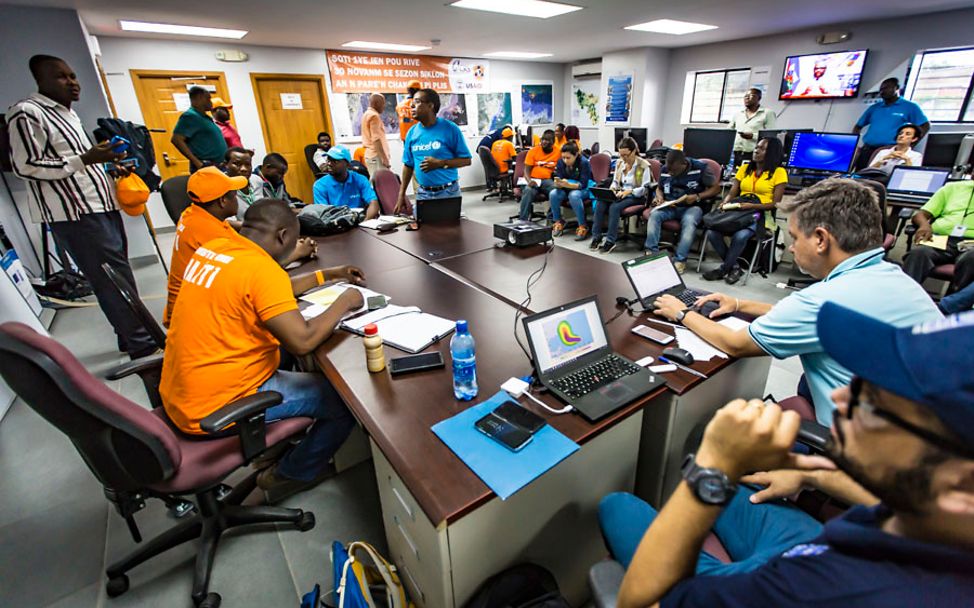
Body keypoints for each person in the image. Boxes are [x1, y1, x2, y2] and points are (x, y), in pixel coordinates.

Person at [601, 304, 974, 607]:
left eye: (875, 403)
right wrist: (814, 476)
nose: (841, 397)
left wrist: (712, 466)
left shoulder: (820, 589)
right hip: (822, 543)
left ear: (961, 485)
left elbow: (638, 600)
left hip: (780, 575)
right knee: (744, 485)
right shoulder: (946, 520)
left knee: (618, 505)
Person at [652, 178, 942, 425]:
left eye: (793, 237)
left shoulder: (822, 300)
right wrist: (740, 305)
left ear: (820, 239)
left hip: (864, 454)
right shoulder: (893, 277)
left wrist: (681, 314)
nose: (791, 247)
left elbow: (736, 344)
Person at [160, 198, 366, 501]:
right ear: (284, 236)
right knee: (343, 398)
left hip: (180, 392)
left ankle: (274, 448)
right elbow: (303, 340)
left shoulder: (216, 248)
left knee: (291, 362)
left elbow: (272, 288)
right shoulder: (259, 270)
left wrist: (330, 274)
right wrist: (346, 300)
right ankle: (290, 474)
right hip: (217, 407)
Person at [6, 54, 156, 359]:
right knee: (110, 279)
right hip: (75, 214)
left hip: (100, 205)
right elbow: (24, 166)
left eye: (73, 76)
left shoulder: (69, 115)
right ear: (41, 79)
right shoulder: (27, 113)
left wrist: (106, 167)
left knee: (119, 275)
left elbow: (77, 165)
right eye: (62, 76)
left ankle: (130, 337)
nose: (73, 82)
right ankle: (143, 344)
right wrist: (85, 159)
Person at [702, 137, 787, 284]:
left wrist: (751, 206)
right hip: (739, 211)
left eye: (762, 148)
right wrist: (725, 202)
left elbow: (775, 204)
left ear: (772, 152)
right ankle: (735, 268)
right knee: (712, 232)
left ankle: (723, 269)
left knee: (740, 236)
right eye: (756, 147)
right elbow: (732, 193)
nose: (756, 150)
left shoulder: (779, 172)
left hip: (761, 215)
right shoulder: (745, 169)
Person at [394, 89, 472, 213]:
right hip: (423, 194)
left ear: (430, 106)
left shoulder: (450, 129)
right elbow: (408, 165)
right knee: (424, 231)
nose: (411, 105)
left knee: (451, 231)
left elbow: (466, 160)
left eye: (417, 102)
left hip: (448, 193)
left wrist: (440, 163)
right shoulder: (412, 133)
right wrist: (401, 194)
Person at [643, 150, 721, 273]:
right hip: (670, 205)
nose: (671, 173)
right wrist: (659, 197)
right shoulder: (665, 169)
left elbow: (716, 188)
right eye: (669, 170)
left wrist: (697, 196)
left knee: (689, 222)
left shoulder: (700, 168)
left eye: (674, 171)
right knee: (654, 215)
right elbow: (659, 188)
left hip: (692, 206)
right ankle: (652, 254)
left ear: (684, 164)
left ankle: (680, 260)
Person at [902, 173, 974, 293]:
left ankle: (953, 306)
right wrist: (925, 225)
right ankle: (903, 296)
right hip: (942, 239)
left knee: (971, 258)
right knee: (919, 253)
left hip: (972, 244)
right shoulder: (951, 188)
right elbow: (920, 215)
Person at [590, 137, 653, 254]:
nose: (623, 158)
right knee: (600, 203)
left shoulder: (642, 166)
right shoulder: (620, 163)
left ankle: (610, 240)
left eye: (626, 155)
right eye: (621, 155)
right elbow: (615, 181)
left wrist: (629, 192)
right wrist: (613, 188)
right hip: (620, 193)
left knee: (615, 207)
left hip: (636, 196)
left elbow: (644, 189)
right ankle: (596, 237)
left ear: (634, 151)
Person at [853, 77, 930, 170]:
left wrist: (911, 143)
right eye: (881, 89)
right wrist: (855, 144)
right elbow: (858, 126)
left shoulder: (909, 107)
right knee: (860, 175)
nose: (882, 91)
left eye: (886, 88)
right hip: (868, 149)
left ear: (897, 88)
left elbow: (925, 125)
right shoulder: (875, 108)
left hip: (890, 150)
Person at [312, 146, 380, 219]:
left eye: (335, 161)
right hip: (335, 225)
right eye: (328, 160)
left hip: (360, 221)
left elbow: (374, 203)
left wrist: (365, 223)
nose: (329, 164)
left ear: (348, 165)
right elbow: (323, 215)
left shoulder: (360, 179)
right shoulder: (319, 185)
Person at [171, 86, 227, 172]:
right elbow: (176, 140)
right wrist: (197, 163)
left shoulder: (204, 117)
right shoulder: (190, 116)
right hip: (207, 166)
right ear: (199, 98)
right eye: (208, 98)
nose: (210, 102)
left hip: (220, 165)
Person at [549, 142, 593, 238]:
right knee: (553, 194)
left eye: (568, 158)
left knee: (574, 195)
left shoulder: (584, 162)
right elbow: (559, 177)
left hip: (583, 188)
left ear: (576, 154)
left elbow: (583, 184)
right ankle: (558, 221)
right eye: (563, 157)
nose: (565, 160)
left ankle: (583, 225)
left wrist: (568, 184)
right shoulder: (560, 162)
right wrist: (558, 184)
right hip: (566, 187)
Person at [517, 129, 561, 221]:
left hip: (546, 181)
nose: (544, 142)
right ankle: (522, 220)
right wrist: (529, 181)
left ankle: (550, 216)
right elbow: (526, 170)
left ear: (553, 142)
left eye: (547, 140)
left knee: (557, 192)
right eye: (543, 139)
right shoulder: (533, 151)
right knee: (528, 191)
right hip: (532, 179)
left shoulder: (558, 152)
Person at [727, 88, 776, 163]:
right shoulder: (738, 114)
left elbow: (771, 136)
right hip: (736, 153)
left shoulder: (768, 113)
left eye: (751, 95)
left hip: (755, 154)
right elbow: (728, 131)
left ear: (759, 98)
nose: (747, 98)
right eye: (746, 96)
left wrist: (753, 136)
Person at [223, 146, 258, 220]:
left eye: (248, 164)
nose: (244, 169)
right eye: (237, 164)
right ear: (226, 164)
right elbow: (227, 223)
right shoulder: (221, 188)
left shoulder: (257, 181)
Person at [361, 93, 391, 176]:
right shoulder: (374, 116)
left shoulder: (367, 114)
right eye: (383, 103)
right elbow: (376, 139)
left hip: (371, 156)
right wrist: (384, 158)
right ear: (376, 103)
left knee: (376, 183)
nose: (384, 106)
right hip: (376, 156)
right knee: (381, 185)